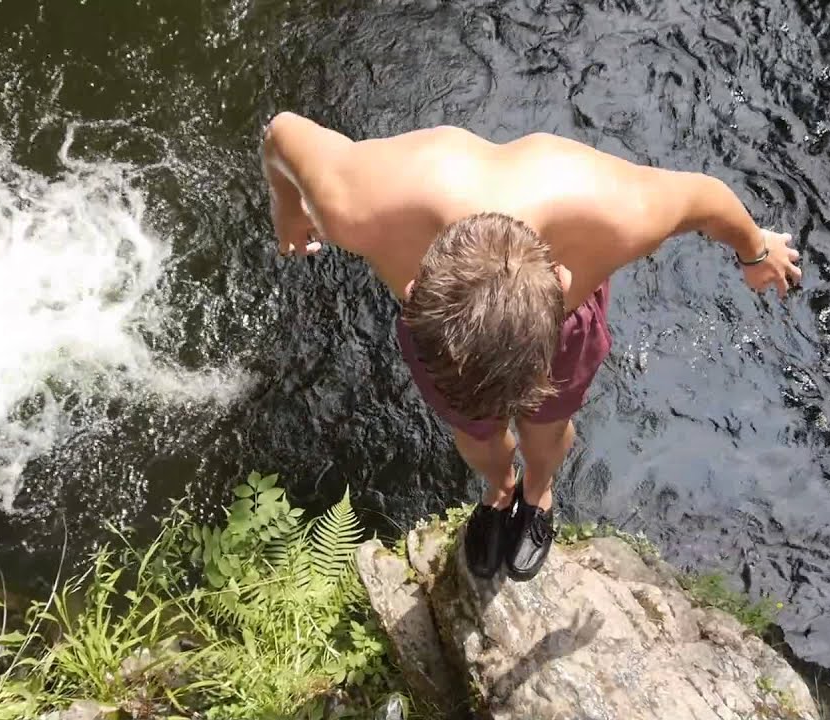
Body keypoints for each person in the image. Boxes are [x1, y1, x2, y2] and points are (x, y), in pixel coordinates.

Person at [261, 113, 801, 582]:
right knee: (475, 431)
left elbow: (705, 198)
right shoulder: (353, 206)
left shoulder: (615, 215)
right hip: (444, 334)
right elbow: (281, 134)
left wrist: (758, 251)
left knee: (545, 427)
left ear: (565, 281)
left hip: (556, 319)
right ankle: (500, 489)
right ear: (413, 290)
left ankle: (538, 492)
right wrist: (287, 206)